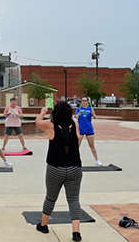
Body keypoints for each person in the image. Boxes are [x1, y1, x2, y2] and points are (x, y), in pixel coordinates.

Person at [33, 102, 84, 241]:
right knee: (74, 200)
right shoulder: (76, 124)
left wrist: (43, 111)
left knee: (50, 197)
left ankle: (43, 225)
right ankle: (76, 232)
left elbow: (37, 122)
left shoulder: (50, 125)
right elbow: (77, 142)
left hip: (55, 168)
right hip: (74, 167)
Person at [74, 97, 102, 166]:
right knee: (77, 145)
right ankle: (74, 160)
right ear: (81, 102)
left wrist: (93, 114)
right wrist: (78, 115)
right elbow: (76, 117)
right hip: (80, 129)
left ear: (88, 102)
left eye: (85, 101)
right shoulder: (78, 109)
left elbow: (94, 117)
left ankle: (97, 160)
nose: (84, 102)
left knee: (92, 145)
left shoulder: (90, 109)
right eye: (83, 101)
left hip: (89, 129)